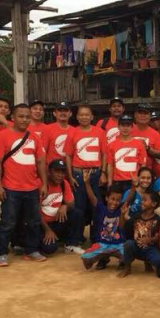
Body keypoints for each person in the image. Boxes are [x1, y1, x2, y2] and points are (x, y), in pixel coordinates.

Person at [0, 103, 48, 267]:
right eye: (21, 116)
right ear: (13, 118)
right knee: (8, 222)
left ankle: (31, 250)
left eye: (27, 117)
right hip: (11, 187)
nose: (24, 120)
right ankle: (1, 252)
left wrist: (43, 183)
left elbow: (40, 161)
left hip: (31, 188)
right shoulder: (3, 136)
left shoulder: (34, 137)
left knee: (33, 221)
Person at [64, 104, 106, 252]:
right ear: (77, 117)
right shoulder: (72, 133)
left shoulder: (99, 132)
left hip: (95, 173)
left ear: (92, 117)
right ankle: (74, 241)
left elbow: (104, 153)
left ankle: (97, 238)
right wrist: (70, 176)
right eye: (81, 115)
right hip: (78, 173)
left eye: (87, 114)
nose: (84, 117)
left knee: (97, 207)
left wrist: (104, 172)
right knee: (78, 209)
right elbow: (68, 155)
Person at [81, 185, 127, 271]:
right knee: (85, 258)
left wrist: (123, 215)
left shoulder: (120, 210)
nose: (114, 202)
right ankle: (104, 258)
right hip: (102, 244)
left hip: (118, 244)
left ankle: (122, 262)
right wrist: (86, 182)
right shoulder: (101, 208)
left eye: (118, 200)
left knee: (128, 256)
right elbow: (92, 197)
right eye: (112, 199)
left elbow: (121, 226)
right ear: (107, 198)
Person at [118, 191, 160, 278]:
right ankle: (127, 268)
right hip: (136, 247)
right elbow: (122, 227)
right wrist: (122, 214)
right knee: (128, 244)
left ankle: (148, 263)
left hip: (149, 248)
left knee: (158, 260)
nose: (142, 202)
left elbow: (158, 237)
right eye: (142, 200)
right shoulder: (136, 216)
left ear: (153, 204)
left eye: (145, 200)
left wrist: (150, 239)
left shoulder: (158, 219)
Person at [39, 159, 78, 255]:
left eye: (62, 172)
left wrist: (64, 206)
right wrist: (47, 230)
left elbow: (71, 203)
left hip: (56, 221)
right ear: (49, 172)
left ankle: (70, 244)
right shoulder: (42, 185)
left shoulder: (64, 183)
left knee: (76, 213)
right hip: (41, 225)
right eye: (57, 171)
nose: (60, 175)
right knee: (50, 249)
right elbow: (34, 212)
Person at [106, 115, 147, 192]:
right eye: (123, 125)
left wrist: (139, 180)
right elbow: (110, 165)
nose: (125, 128)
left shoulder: (139, 144)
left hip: (133, 181)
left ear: (132, 127)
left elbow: (142, 165)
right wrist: (110, 182)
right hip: (117, 181)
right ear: (118, 127)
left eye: (128, 125)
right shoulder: (111, 145)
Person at [131, 103, 160, 169]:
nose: (142, 116)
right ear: (135, 115)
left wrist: (147, 148)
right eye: (140, 113)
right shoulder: (128, 129)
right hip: (127, 170)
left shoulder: (155, 133)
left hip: (147, 172)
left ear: (150, 116)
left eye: (145, 113)